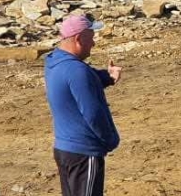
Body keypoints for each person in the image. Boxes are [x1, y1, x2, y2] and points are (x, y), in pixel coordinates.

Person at [44, 14, 123, 196]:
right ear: (79, 39)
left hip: (64, 149)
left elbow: (82, 79)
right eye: (91, 37)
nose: (94, 43)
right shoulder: (77, 71)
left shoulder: (54, 61)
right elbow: (93, 114)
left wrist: (107, 77)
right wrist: (110, 140)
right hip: (84, 153)